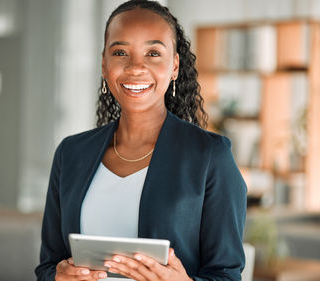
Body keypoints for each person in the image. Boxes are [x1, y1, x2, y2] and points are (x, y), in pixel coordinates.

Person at [35, 0, 247, 280]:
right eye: (120, 52)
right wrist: (57, 277)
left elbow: (227, 274)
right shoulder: (71, 154)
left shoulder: (210, 156)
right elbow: (48, 266)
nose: (136, 67)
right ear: (104, 64)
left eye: (153, 53)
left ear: (174, 66)